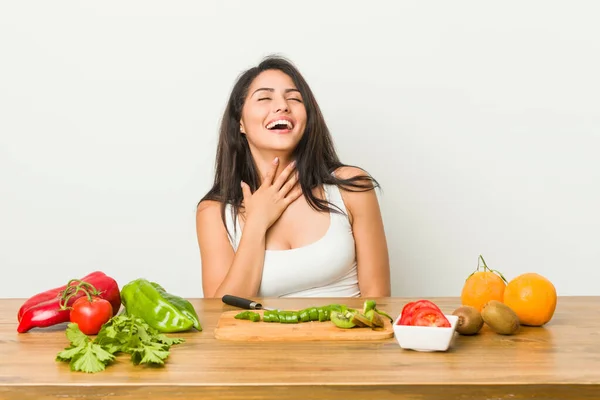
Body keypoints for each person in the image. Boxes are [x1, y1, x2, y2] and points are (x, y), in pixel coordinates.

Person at [195, 55, 391, 299]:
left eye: (294, 98)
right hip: (259, 339)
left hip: (349, 337)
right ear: (240, 123)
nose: (282, 106)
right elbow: (220, 315)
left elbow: (379, 301)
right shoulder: (214, 212)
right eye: (265, 98)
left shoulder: (352, 187)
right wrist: (257, 222)